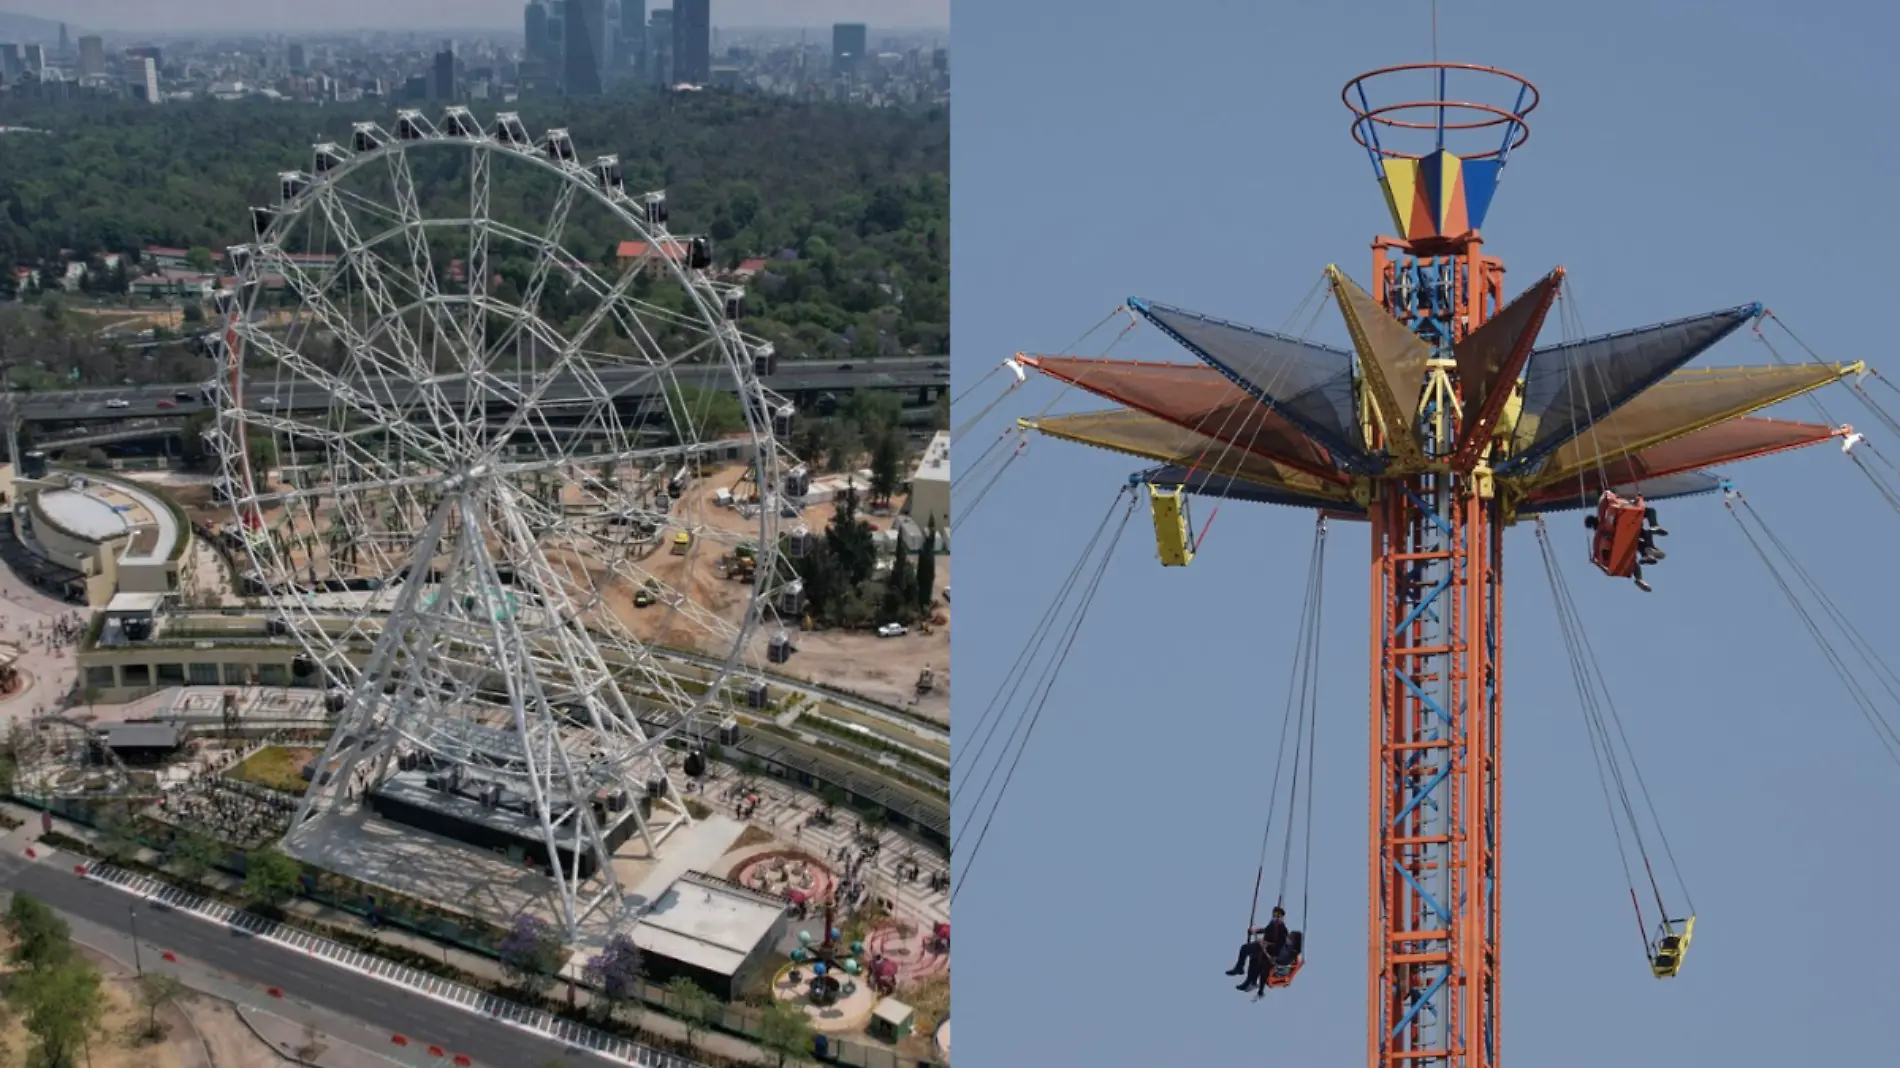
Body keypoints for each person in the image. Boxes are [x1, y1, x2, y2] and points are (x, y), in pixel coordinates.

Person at [1225, 906, 1289, 991]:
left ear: (1282, 917)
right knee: (1253, 961)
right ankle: (1248, 981)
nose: (1275, 917)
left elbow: (1280, 946)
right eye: (1274, 915)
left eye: (1278, 916)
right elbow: (1266, 930)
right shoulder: (1272, 924)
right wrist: (1255, 931)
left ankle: (1240, 969)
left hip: (1270, 951)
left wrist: (1267, 944)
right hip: (1262, 947)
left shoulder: (1283, 929)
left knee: (1245, 948)